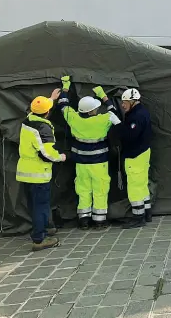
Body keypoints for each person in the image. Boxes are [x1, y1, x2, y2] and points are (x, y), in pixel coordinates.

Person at [51, 76, 120, 230]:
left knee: (83, 189)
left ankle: (83, 220)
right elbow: (114, 112)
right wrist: (103, 95)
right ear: (92, 111)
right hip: (99, 162)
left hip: (81, 163)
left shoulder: (73, 118)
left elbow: (63, 104)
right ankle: (99, 220)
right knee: (100, 189)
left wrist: (66, 86)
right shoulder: (103, 119)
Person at [16, 93, 66, 251]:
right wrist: (61, 157)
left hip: (25, 172)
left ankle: (44, 228)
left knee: (33, 205)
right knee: (41, 206)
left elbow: (37, 110)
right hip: (38, 174)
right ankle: (39, 239)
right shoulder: (43, 128)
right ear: (47, 113)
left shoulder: (28, 120)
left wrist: (50, 99)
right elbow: (47, 153)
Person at [98, 87, 152, 229]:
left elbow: (129, 135)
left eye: (125, 102)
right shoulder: (139, 112)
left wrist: (118, 124)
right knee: (142, 185)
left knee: (134, 187)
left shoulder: (137, 116)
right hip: (143, 153)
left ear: (133, 101)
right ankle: (147, 213)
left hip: (135, 155)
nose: (123, 105)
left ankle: (138, 217)